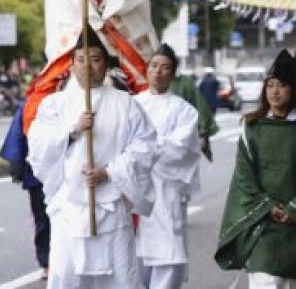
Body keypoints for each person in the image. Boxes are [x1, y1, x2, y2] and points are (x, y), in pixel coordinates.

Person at [27, 24, 156, 288]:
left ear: (106, 65)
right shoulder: (55, 104)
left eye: (96, 59)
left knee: (121, 277)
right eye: (81, 60)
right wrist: (72, 131)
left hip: (110, 208)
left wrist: (109, 171)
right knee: (67, 275)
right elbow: (38, 147)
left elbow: (146, 146)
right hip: (70, 209)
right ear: (72, 65)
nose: (88, 66)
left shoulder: (126, 103)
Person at [22, 0, 159, 134]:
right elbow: (62, 19)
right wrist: (86, 26)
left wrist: (110, 23)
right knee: (40, 94)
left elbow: (136, 18)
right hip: (79, 44)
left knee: (146, 89)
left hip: (117, 47)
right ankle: (28, 144)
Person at [215, 49, 296, 288]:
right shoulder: (251, 127)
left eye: (282, 85)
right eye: (270, 85)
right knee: (266, 281)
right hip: (263, 223)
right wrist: (269, 207)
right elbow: (244, 176)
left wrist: (292, 209)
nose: (275, 91)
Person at [134, 44, 201, 289]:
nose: (158, 72)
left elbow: (181, 150)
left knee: (167, 252)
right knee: (135, 254)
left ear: (173, 74)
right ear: (146, 70)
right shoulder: (131, 104)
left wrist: (142, 149)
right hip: (134, 188)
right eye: (154, 66)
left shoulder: (184, 111)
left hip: (166, 190)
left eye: (165, 68)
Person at [0, 99, 50, 278]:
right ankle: (47, 262)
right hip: (36, 171)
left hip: (64, 170)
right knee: (42, 220)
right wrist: (17, 163)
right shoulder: (31, 103)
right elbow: (18, 135)